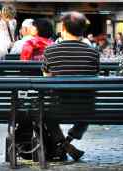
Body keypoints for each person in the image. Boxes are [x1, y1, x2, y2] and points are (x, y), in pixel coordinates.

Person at [41, 11, 101, 162]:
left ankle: (62, 144)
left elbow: (46, 78)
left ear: (64, 29)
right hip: (85, 107)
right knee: (88, 106)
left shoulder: (50, 51)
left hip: (58, 106)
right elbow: (94, 77)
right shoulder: (93, 52)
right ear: (82, 30)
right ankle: (68, 141)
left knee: (43, 111)